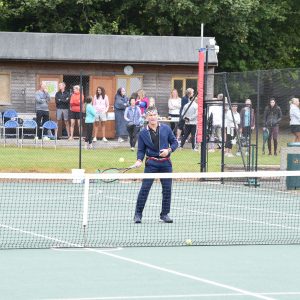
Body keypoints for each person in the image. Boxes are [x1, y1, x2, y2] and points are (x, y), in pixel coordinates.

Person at [133, 106, 178, 224]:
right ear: (146, 117)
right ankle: (138, 214)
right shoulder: (142, 133)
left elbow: (174, 142)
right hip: (151, 164)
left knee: (167, 189)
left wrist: (168, 150)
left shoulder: (166, 129)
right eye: (150, 115)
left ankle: (164, 214)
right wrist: (139, 160)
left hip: (166, 164)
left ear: (157, 116)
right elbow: (141, 150)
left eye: (154, 115)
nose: (152, 117)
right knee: (145, 189)